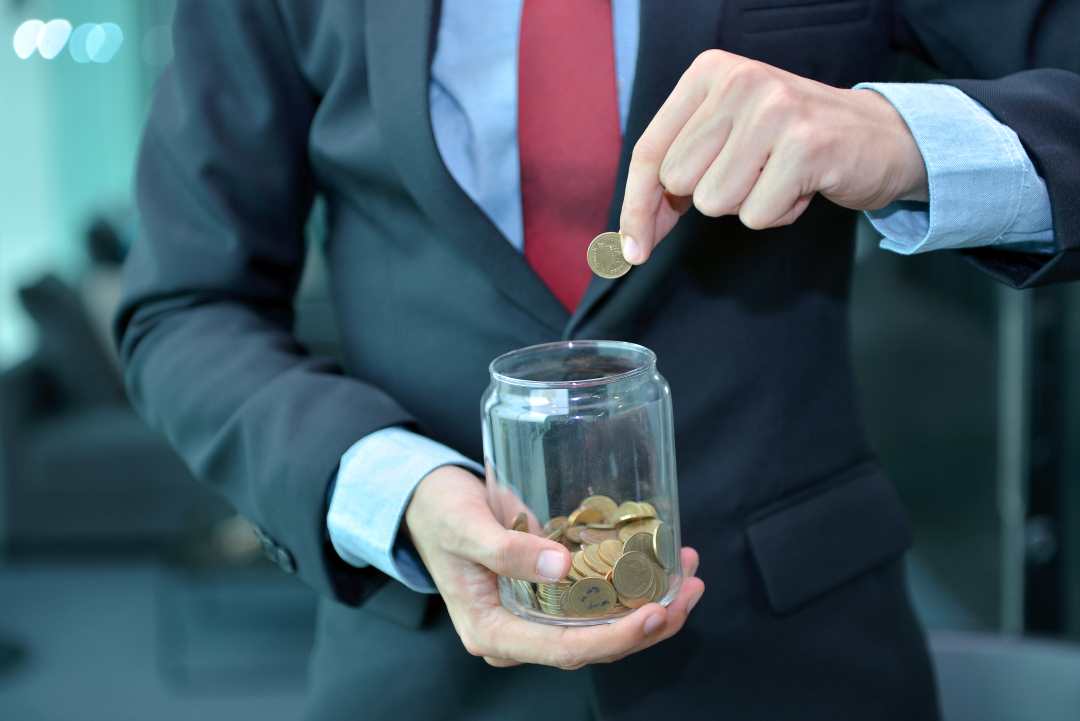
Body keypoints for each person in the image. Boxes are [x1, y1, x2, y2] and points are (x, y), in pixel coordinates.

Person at [116, 1, 1080, 719]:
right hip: (418, 671)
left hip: (796, 653)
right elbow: (186, 304)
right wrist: (394, 489)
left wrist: (902, 134)